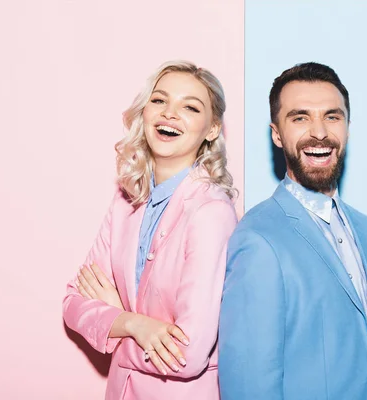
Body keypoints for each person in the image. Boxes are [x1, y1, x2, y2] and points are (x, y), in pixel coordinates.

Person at [218, 62, 367, 400]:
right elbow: (250, 385)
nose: (320, 132)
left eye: (332, 116)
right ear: (277, 134)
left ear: (348, 127)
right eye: (300, 118)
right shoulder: (258, 240)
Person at [63, 61, 238, 400]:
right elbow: (73, 301)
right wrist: (134, 323)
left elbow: (186, 355)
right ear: (144, 112)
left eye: (190, 106)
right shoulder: (127, 199)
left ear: (212, 129)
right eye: (159, 101)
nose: (170, 114)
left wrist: (111, 322)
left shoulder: (211, 213)